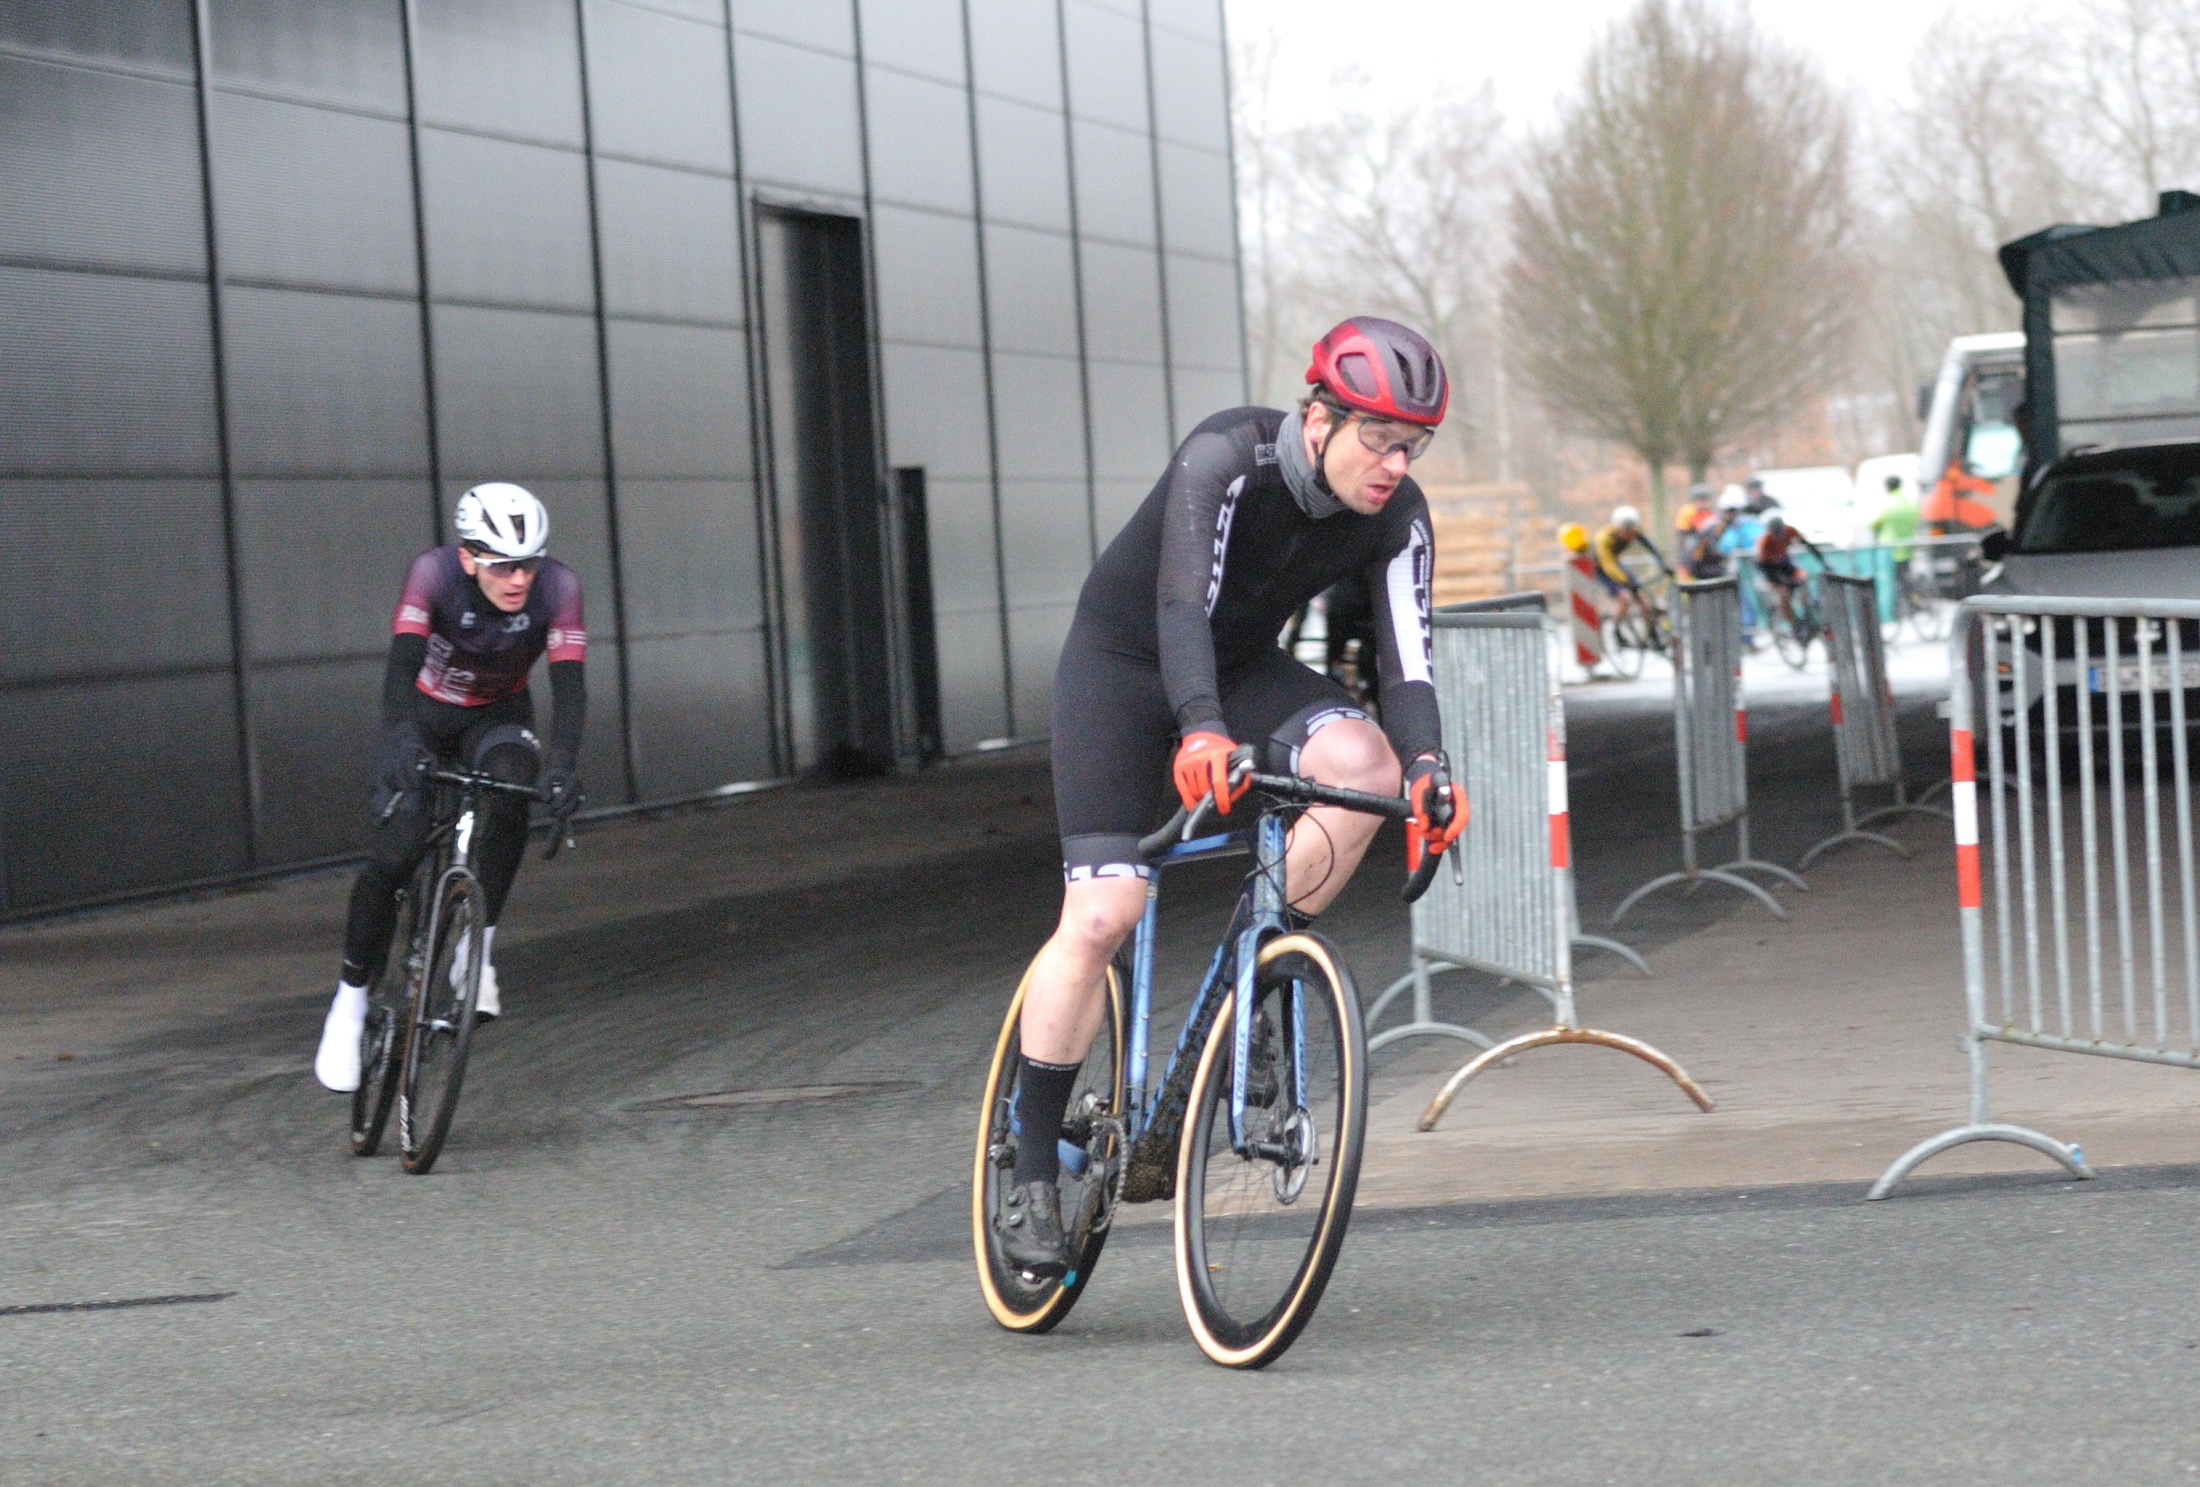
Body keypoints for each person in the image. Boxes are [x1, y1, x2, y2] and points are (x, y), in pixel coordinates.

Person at [998, 317, 1467, 1276]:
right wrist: (1200, 727)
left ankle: (1251, 982)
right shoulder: (1226, 457)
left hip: (1243, 668)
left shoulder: (1398, 514)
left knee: (1367, 768)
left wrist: (1429, 768)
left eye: (1412, 446)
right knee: (1103, 912)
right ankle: (1031, 1160)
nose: (1394, 464)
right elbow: (1180, 606)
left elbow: (1407, 662)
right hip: (1125, 667)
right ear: (1319, 418)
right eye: (1379, 438)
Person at [313, 484, 588, 1093]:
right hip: (426, 716)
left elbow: (569, 685)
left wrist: (563, 764)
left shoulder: (560, 587)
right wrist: (401, 739)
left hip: (498, 715)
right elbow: (402, 664)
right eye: (503, 565)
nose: (519, 579)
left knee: (514, 789)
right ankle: (349, 1004)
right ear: (468, 558)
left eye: (529, 564)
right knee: (394, 855)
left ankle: (474, 954)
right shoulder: (433, 574)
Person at [1590, 504, 1671, 644]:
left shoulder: (1635, 531)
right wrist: (1626, 581)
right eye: (1626, 532)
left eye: (1632, 533)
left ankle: (1652, 634)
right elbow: (1608, 565)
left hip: (1616, 563)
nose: (1629, 536)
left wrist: (1663, 564)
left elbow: (1651, 548)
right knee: (1625, 598)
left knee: (1643, 599)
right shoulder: (1604, 539)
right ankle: (1616, 632)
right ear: (1618, 529)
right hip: (1602, 569)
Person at [1753, 511, 1826, 634]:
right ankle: (1794, 623)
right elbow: (1762, 566)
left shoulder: (1790, 530)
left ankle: (1807, 608)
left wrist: (1823, 562)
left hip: (1785, 563)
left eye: (1780, 531)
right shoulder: (1764, 542)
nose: (1779, 535)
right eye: (1775, 533)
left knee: (1802, 577)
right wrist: (1780, 583)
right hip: (1770, 569)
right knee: (1782, 594)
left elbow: (1808, 545)